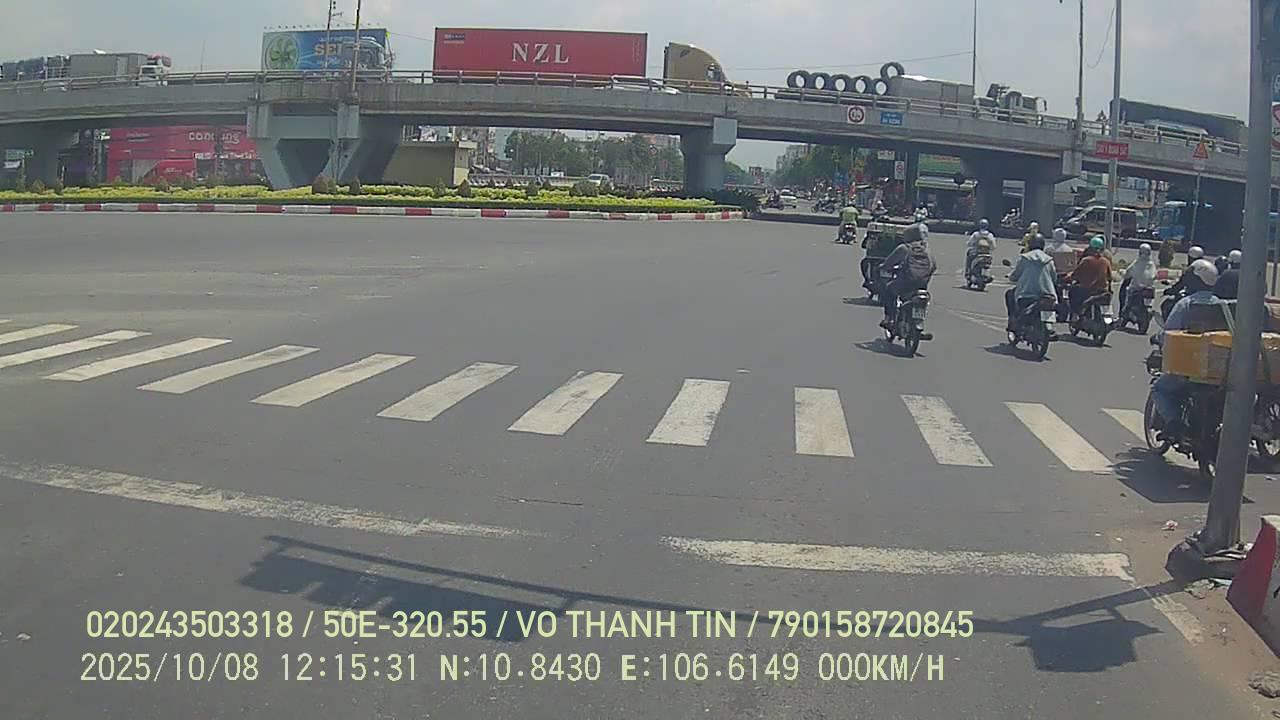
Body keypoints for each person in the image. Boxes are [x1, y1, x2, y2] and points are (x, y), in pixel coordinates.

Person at [1152, 260, 1227, 436]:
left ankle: (1173, 422)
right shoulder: (1223, 306)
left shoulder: (1185, 304)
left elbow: (1169, 332)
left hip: (1187, 369)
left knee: (1159, 389)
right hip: (1217, 371)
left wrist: (1156, 338)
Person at [880, 223, 937, 329]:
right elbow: (934, 266)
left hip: (905, 284)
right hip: (922, 286)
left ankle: (889, 318)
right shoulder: (926, 250)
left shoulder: (904, 248)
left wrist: (884, 267)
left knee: (888, 290)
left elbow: (889, 263)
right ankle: (919, 321)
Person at [1005, 232, 1057, 332]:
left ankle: (1013, 322)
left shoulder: (1025, 258)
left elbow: (1015, 275)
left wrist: (1011, 277)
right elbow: (1054, 277)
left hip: (1026, 294)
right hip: (1047, 294)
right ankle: (1049, 327)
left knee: (1009, 294)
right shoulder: (1049, 260)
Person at [1065, 236, 1113, 318]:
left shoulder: (1086, 260)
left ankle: (1075, 315)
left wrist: (1067, 278)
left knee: (1072, 292)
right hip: (1102, 291)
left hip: (1086, 291)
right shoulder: (1106, 261)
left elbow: (1075, 275)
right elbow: (1110, 278)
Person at [1119, 243, 1158, 317]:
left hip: (1136, 288)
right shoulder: (1152, 264)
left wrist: (1122, 273)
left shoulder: (1137, 263)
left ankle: (1123, 313)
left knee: (1127, 295)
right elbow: (1155, 276)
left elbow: (1128, 273)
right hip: (1149, 289)